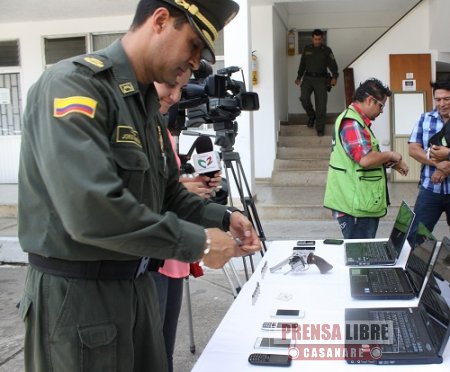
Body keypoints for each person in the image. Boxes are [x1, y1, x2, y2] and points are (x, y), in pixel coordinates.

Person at [17, 1, 261, 371]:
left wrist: (225, 217)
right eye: (193, 44)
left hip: (137, 286)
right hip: (79, 298)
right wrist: (200, 243)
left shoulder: (144, 105)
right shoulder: (75, 85)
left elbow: (166, 192)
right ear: (160, 20)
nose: (195, 63)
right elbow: (91, 211)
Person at [152, 69, 222, 372]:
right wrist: (182, 188)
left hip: (174, 255)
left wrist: (200, 185)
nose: (176, 97)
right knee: (150, 349)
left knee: (164, 347)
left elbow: (170, 186)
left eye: (180, 89)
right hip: (149, 256)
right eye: (170, 86)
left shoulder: (163, 132)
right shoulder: (133, 132)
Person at [323, 78, 409, 239]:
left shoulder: (356, 121)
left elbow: (361, 158)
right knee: (361, 252)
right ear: (370, 100)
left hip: (356, 200)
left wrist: (390, 163)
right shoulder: (352, 123)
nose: (381, 111)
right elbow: (365, 159)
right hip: (355, 204)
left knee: (361, 251)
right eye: (381, 106)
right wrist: (391, 154)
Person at [407, 80, 450, 246]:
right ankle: (416, 271)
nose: (442, 104)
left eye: (447, 99)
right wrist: (438, 165)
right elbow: (413, 149)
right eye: (438, 99)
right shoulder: (425, 119)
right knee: (416, 237)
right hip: (430, 189)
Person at [294, 29, 339, 136]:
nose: (317, 41)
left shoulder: (326, 50)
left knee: (321, 105)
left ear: (322, 39)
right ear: (312, 39)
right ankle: (311, 115)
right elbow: (302, 64)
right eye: (315, 39)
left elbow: (333, 64)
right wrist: (299, 77)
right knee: (304, 98)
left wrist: (334, 76)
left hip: (321, 80)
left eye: (319, 39)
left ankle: (320, 128)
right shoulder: (307, 49)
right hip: (308, 78)